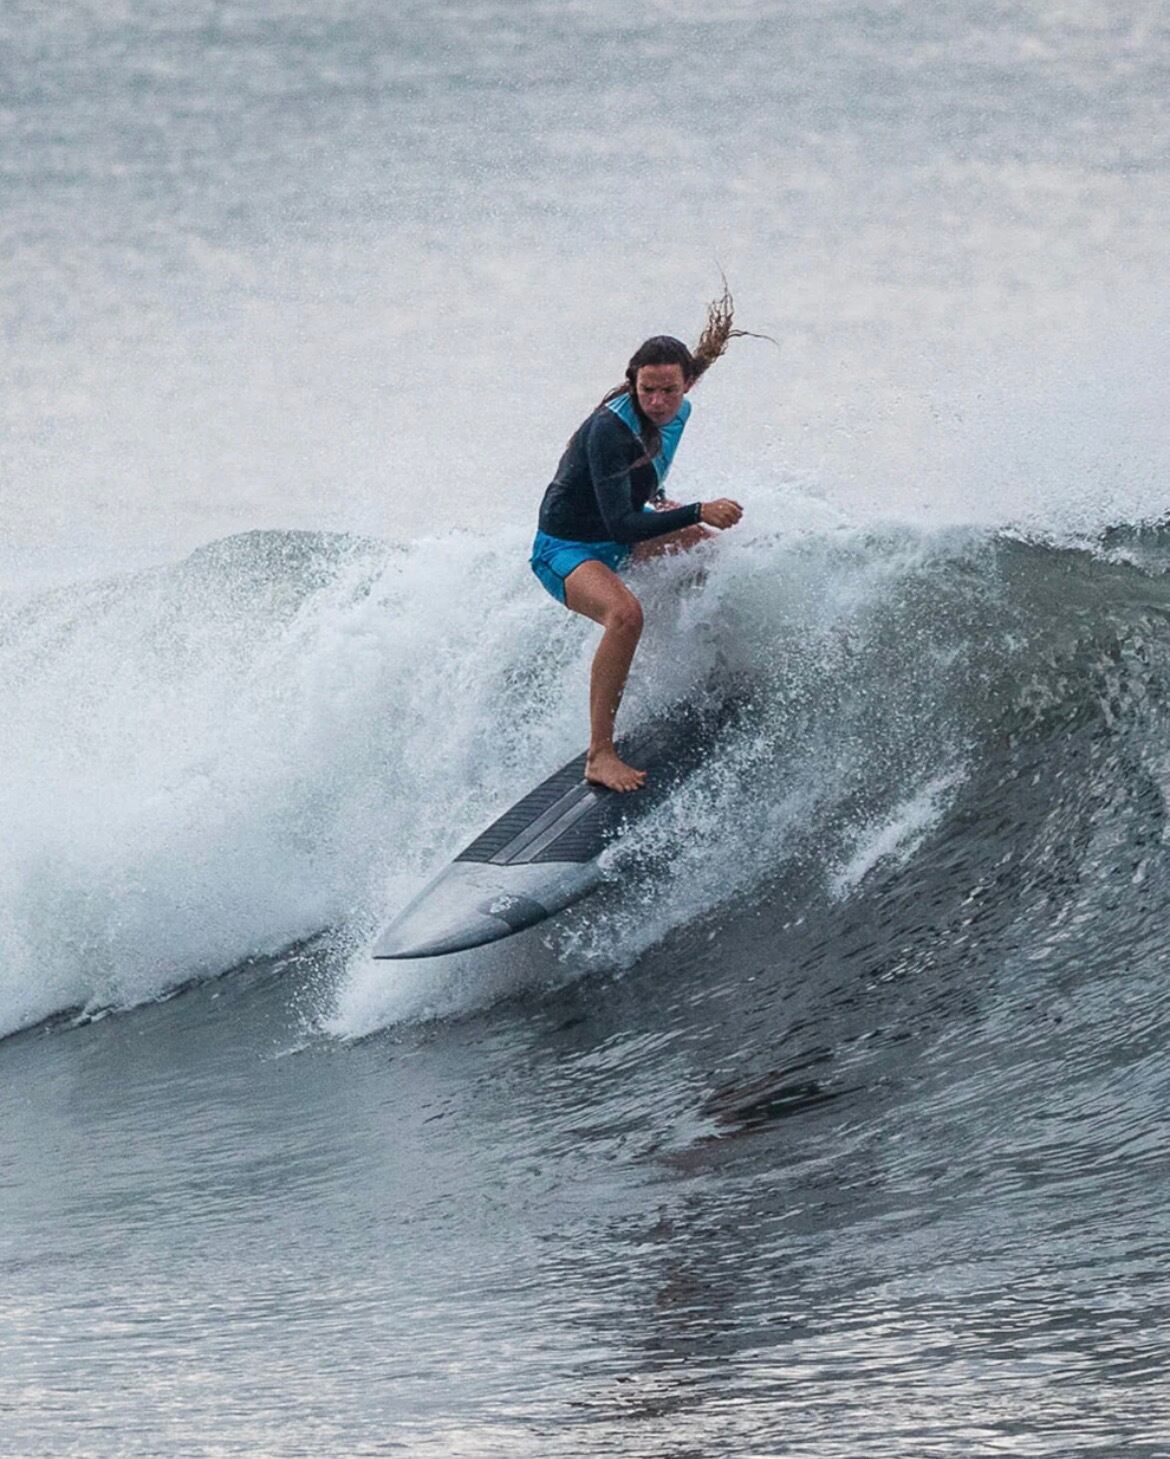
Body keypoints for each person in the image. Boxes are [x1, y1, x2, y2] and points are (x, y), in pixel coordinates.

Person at [530, 291, 749, 792]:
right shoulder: (609, 430)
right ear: (633, 382)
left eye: (668, 391)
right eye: (647, 390)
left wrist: (666, 503)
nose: (657, 402)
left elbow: (645, 472)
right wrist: (697, 509)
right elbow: (622, 527)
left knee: (707, 551)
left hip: (617, 527)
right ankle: (599, 754)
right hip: (567, 548)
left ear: (687, 383)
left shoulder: (679, 412)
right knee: (625, 615)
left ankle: (716, 668)